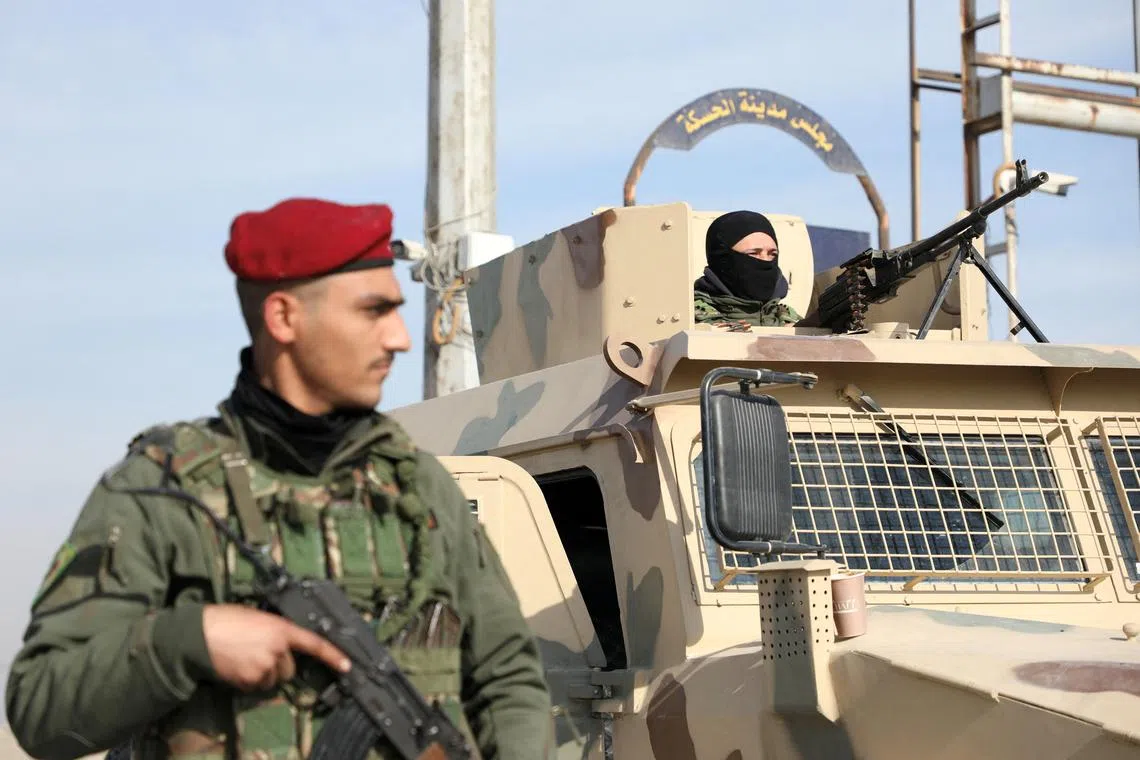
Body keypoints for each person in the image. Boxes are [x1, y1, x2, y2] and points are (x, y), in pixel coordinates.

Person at [5, 199, 553, 759]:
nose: (400, 338)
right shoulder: (160, 494)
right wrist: (190, 640)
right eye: (374, 311)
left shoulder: (422, 491)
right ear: (284, 318)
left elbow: (508, 680)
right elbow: (40, 708)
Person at [693, 210, 801, 327]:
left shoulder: (788, 319)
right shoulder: (689, 318)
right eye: (754, 253)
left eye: (772, 254)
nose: (765, 260)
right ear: (723, 258)